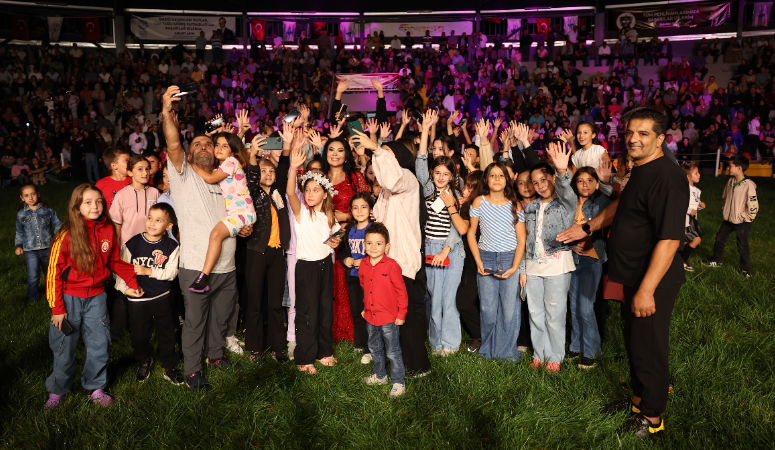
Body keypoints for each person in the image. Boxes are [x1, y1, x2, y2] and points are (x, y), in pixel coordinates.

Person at [558, 108, 689, 438]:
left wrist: (646, 290)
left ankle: (652, 418)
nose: (633, 138)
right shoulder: (641, 170)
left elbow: (670, 239)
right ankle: (637, 401)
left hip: (652, 280)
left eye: (643, 133)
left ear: (661, 139)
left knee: (650, 346)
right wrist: (589, 225)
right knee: (635, 341)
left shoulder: (668, 178)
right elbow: (623, 206)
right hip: (632, 274)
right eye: (630, 131)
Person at [162, 86, 245, 392]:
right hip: (197, 266)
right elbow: (172, 142)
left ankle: (214, 355)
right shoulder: (184, 175)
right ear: (189, 151)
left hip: (227, 265)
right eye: (197, 144)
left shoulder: (224, 177)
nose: (203, 147)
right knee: (195, 323)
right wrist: (165, 111)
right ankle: (193, 370)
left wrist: (242, 227)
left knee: (220, 318)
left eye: (208, 144)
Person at [44, 184, 141, 409]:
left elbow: (115, 261)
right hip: (68, 299)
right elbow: (53, 273)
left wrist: (132, 282)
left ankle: (95, 387)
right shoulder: (66, 235)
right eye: (87, 202)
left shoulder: (107, 230)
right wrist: (58, 309)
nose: (94, 206)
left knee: (99, 343)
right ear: (77, 207)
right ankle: (58, 390)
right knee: (63, 346)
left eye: (98, 201)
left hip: (97, 297)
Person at [350, 131, 431, 377]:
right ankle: (404, 363)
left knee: (405, 318)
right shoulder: (386, 189)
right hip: (389, 260)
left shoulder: (406, 177)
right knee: (395, 317)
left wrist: (376, 147)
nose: (382, 159)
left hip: (403, 260)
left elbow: (393, 177)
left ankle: (419, 366)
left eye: (388, 155)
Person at [114, 203, 184, 385]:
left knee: (167, 333)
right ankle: (144, 360)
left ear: (168, 227)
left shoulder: (172, 246)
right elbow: (120, 270)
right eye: (150, 218)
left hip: (162, 298)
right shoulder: (133, 244)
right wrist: (125, 289)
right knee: (139, 335)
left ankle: (169, 366)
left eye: (158, 220)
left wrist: (148, 271)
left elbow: (171, 273)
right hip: (138, 301)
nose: (152, 223)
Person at [286, 143, 341, 374]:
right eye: (307, 189)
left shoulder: (328, 215)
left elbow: (337, 232)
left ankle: (323, 351)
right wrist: (293, 169)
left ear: (325, 193)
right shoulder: (301, 212)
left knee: (325, 309)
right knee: (307, 312)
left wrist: (336, 239)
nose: (309, 194)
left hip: (324, 267)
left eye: (315, 190)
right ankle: (304, 357)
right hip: (307, 268)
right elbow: (290, 192)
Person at [521, 144, 576, 373]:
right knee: (536, 313)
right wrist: (524, 269)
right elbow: (527, 240)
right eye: (535, 182)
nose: (540, 185)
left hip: (557, 265)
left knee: (555, 313)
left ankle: (555, 355)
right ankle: (539, 353)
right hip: (534, 267)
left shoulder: (565, 204)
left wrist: (563, 172)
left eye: (544, 179)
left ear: (552, 178)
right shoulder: (531, 207)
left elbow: (567, 192)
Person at [416, 110, 466, 356]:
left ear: (452, 176)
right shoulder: (427, 188)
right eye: (437, 173)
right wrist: (425, 129)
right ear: (432, 173)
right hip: (431, 247)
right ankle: (437, 343)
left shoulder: (455, 193)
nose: (441, 177)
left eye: (446, 174)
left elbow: (457, 228)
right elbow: (420, 158)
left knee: (449, 297)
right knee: (434, 297)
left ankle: (452, 343)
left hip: (452, 249)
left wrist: (446, 248)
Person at [467, 161, 526, 362]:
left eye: (501, 175)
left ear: (507, 180)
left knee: (509, 309)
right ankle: (488, 351)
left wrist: (515, 267)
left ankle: (507, 352)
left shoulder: (515, 205)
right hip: (486, 257)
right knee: (487, 308)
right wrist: (478, 261)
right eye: (492, 175)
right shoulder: (479, 202)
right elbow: (471, 233)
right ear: (486, 179)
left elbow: (522, 240)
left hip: (510, 257)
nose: (497, 179)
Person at [187, 133, 256, 293]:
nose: (219, 148)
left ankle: (203, 277)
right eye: (217, 145)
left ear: (232, 151)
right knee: (216, 235)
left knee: (216, 235)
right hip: (240, 212)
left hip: (241, 212)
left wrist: (192, 164)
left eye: (225, 146)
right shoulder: (223, 165)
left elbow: (210, 178)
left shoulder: (231, 162)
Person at [244, 134, 291, 362]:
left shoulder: (278, 192)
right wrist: (253, 156)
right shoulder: (253, 193)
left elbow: (283, 166)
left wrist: (287, 145)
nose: (269, 174)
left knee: (275, 303)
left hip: (277, 252)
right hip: (256, 251)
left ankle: (278, 347)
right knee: (255, 302)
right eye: (264, 171)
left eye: (271, 171)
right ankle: (254, 347)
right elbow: (252, 178)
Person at [566, 162, 614, 369]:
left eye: (589, 181)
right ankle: (576, 347)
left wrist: (606, 183)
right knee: (574, 306)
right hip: (570, 259)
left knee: (585, 307)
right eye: (580, 180)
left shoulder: (601, 201)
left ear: (596, 184)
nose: (585, 185)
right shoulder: (569, 201)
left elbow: (616, 203)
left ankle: (592, 351)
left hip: (591, 259)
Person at [359, 222, 408, 398]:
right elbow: (365, 287)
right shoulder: (363, 265)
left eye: (378, 243)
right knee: (374, 347)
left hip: (389, 317)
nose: (373, 247)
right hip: (371, 316)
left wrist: (401, 314)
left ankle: (398, 382)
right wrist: (365, 308)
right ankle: (380, 375)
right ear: (364, 244)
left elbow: (401, 292)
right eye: (369, 243)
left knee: (393, 351)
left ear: (386, 246)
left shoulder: (392, 266)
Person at [703, 156, 758, 277]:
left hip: (742, 221)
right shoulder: (730, 182)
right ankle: (716, 260)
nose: (728, 168)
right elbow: (725, 197)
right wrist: (725, 209)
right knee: (719, 239)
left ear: (739, 168)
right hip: (728, 219)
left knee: (742, 245)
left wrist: (746, 217)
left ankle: (746, 270)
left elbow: (753, 205)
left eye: (730, 166)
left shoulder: (748, 185)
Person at [339, 192, 374, 362]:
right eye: (355, 207)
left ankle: (370, 348)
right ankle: (360, 344)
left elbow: (380, 252)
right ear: (351, 211)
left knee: (368, 312)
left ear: (370, 209)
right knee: (355, 312)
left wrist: (366, 261)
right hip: (353, 277)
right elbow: (343, 250)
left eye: (363, 207)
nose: (359, 211)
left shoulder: (374, 229)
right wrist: (346, 259)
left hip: (369, 279)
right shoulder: (349, 230)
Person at [15, 184, 62, 305]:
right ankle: (32, 298)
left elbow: (58, 224)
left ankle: (53, 295)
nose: (30, 197)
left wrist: (57, 237)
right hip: (30, 250)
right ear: (22, 198)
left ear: (38, 194)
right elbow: (19, 232)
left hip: (48, 248)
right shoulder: (21, 214)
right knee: (33, 275)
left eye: (33, 194)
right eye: (26, 195)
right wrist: (18, 245)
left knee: (50, 273)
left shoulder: (48, 210)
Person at [109, 155, 160, 246]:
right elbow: (117, 225)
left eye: (147, 169)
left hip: (151, 245)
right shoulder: (121, 195)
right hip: (128, 246)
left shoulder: (154, 192)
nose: (145, 173)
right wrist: (116, 249)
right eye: (140, 169)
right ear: (130, 172)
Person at [681, 164, 705, 272]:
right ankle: (682, 261)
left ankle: (678, 259)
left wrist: (700, 205)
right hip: (685, 219)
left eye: (699, 172)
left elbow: (694, 204)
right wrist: (689, 211)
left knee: (687, 240)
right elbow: (679, 204)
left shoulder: (697, 190)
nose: (699, 175)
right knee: (696, 239)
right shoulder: (684, 189)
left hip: (692, 219)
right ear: (688, 176)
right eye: (696, 173)